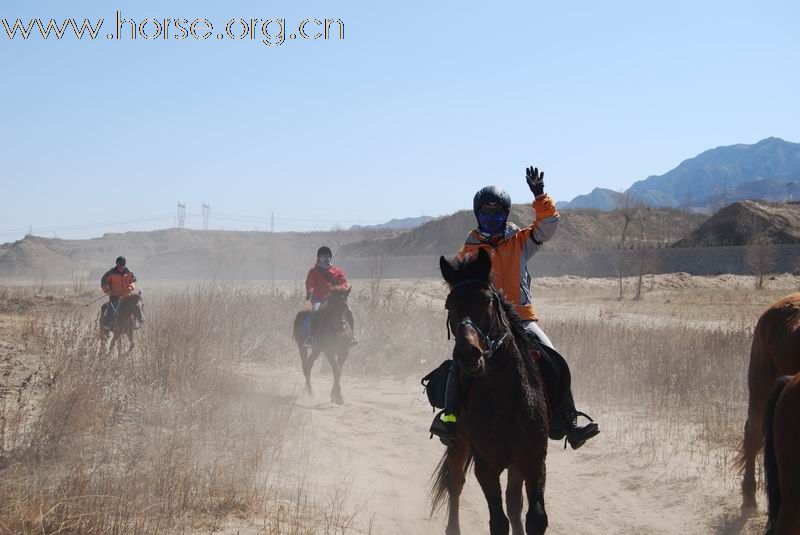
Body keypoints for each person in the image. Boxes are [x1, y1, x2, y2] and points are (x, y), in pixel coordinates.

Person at [430, 166, 600, 450]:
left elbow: (548, 228)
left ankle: (570, 422)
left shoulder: (520, 240)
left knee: (555, 359)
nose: (492, 218)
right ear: (477, 214)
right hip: (484, 323)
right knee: (459, 364)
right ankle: (449, 417)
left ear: (506, 215)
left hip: (521, 319)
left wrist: (540, 196)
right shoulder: (469, 248)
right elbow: (458, 285)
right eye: (486, 213)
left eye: (498, 213)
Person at [303, 246, 356, 345]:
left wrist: (342, 289)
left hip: (334, 299)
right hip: (318, 298)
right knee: (315, 310)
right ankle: (311, 337)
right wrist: (309, 293)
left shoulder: (337, 271)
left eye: (327, 256)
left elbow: (343, 283)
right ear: (319, 258)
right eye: (323, 256)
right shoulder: (313, 271)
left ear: (330, 257)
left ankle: (352, 336)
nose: (326, 258)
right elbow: (309, 284)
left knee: (349, 311)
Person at [100, 256, 144, 328]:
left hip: (127, 296)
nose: (122, 267)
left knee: (137, 306)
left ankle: (137, 322)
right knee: (112, 310)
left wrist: (131, 286)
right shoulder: (111, 273)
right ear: (117, 264)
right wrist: (107, 291)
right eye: (120, 265)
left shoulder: (128, 272)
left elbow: (134, 281)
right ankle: (107, 324)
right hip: (115, 296)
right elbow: (103, 282)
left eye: (123, 265)